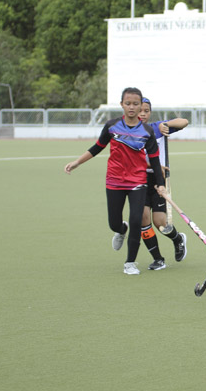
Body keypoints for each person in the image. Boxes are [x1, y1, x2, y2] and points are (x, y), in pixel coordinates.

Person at [64, 87, 166, 275]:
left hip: (138, 181)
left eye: (136, 104)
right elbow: (97, 147)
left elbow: (154, 160)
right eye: (128, 103)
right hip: (115, 180)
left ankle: (130, 263)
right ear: (121, 105)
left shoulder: (147, 132)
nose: (132, 107)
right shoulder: (111, 126)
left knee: (136, 220)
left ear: (141, 105)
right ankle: (121, 229)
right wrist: (77, 162)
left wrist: (160, 184)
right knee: (114, 222)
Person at [138, 97, 189, 270]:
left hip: (159, 180)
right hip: (138, 178)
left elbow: (184, 122)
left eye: (146, 111)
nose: (143, 114)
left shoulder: (156, 128)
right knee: (143, 220)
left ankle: (178, 239)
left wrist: (165, 124)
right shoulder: (129, 132)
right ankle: (158, 259)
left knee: (160, 223)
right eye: (140, 110)